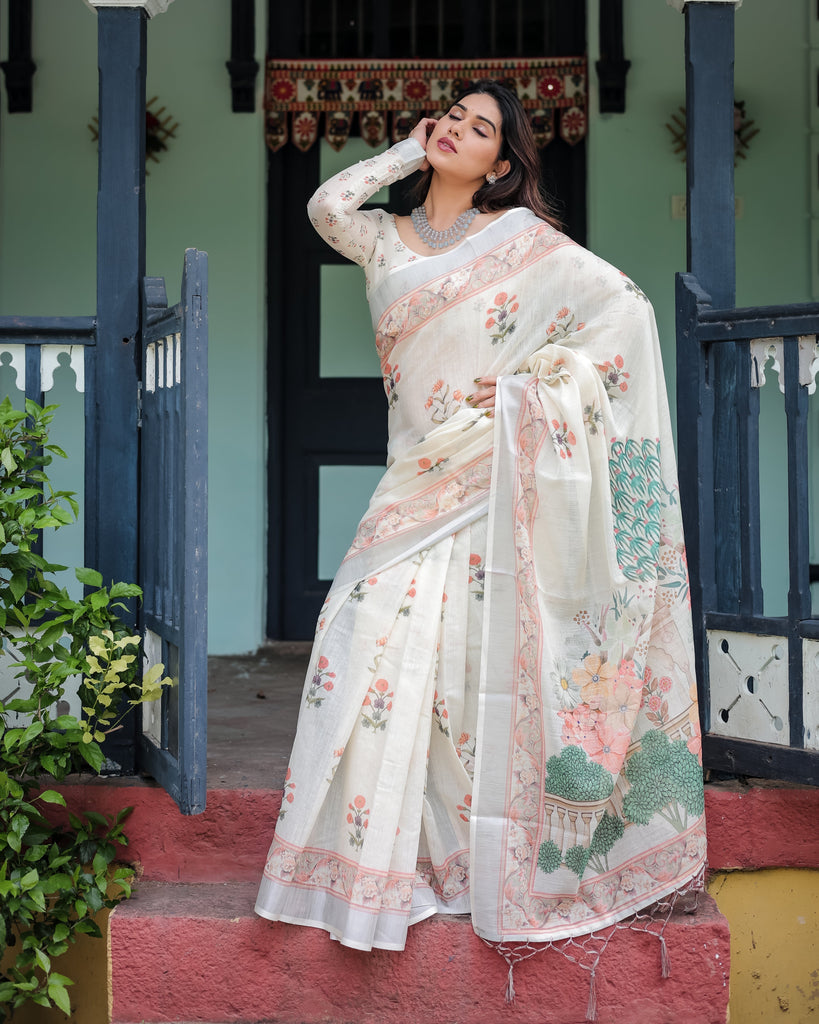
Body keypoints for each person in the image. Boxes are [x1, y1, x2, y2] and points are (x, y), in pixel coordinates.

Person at [255, 80, 705, 964]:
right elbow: (323, 201)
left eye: (478, 128)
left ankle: (459, 863)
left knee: (460, 675)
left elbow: (624, 317)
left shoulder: (525, 244)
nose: (458, 130)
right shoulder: (380, 236)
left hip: (485, 474)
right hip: (410, 481)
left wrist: (526, 391)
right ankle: (361, 866)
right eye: (450, 117)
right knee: (361, 637)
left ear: (501, 163)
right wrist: (404, 152)